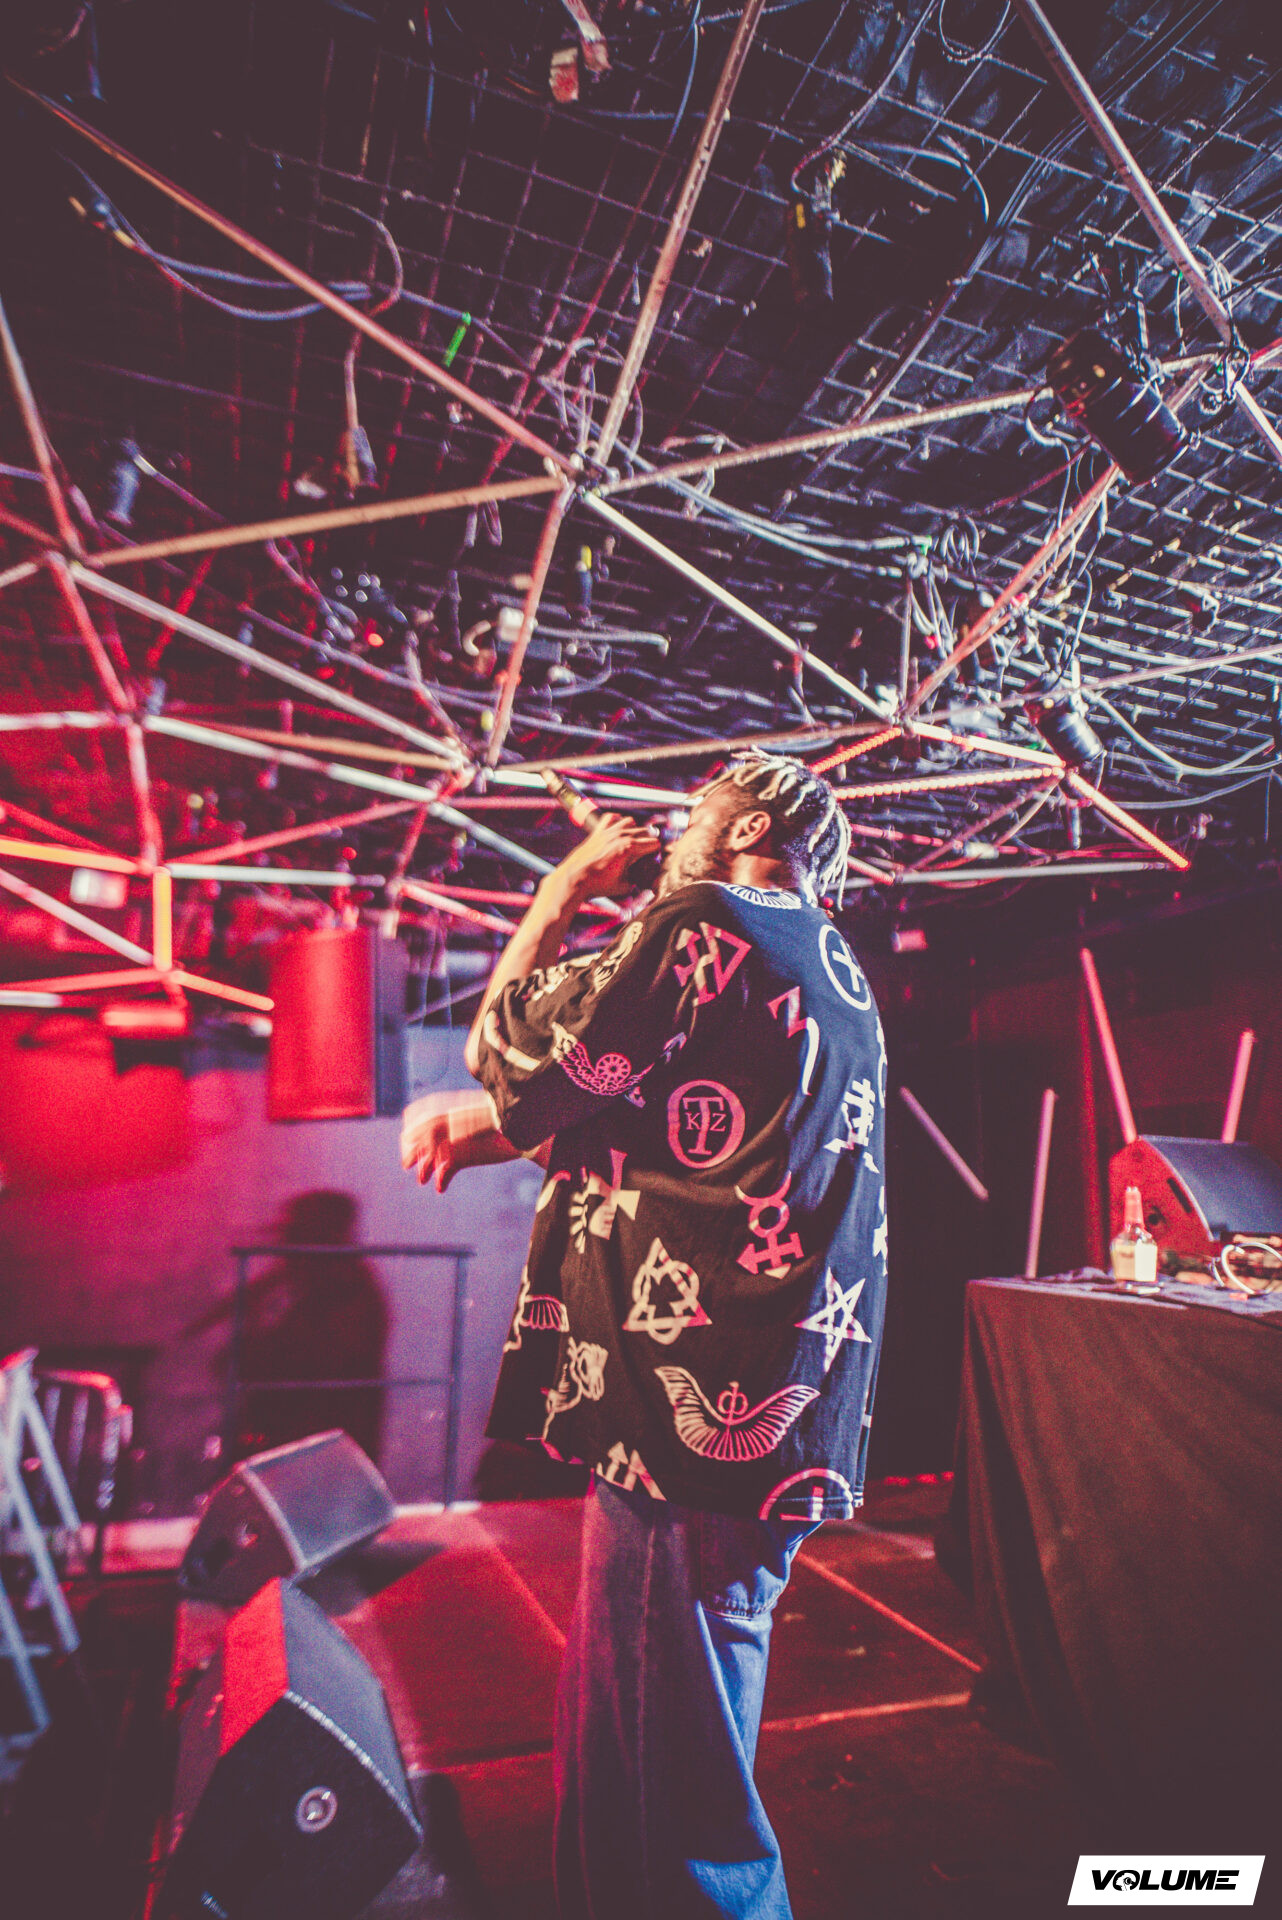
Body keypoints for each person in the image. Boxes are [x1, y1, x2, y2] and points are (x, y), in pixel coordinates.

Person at [401, 753, 887, 1920]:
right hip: (767, 1401)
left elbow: (513, 1050)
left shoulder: (703, 919)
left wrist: (563, 887)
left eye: (702, 809)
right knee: (646, 1717)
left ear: (749, 827)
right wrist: (496, 1128)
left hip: (690, 1416)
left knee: (670, 1758)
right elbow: (672, 1122)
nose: (679, 831)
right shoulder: (825, 962)